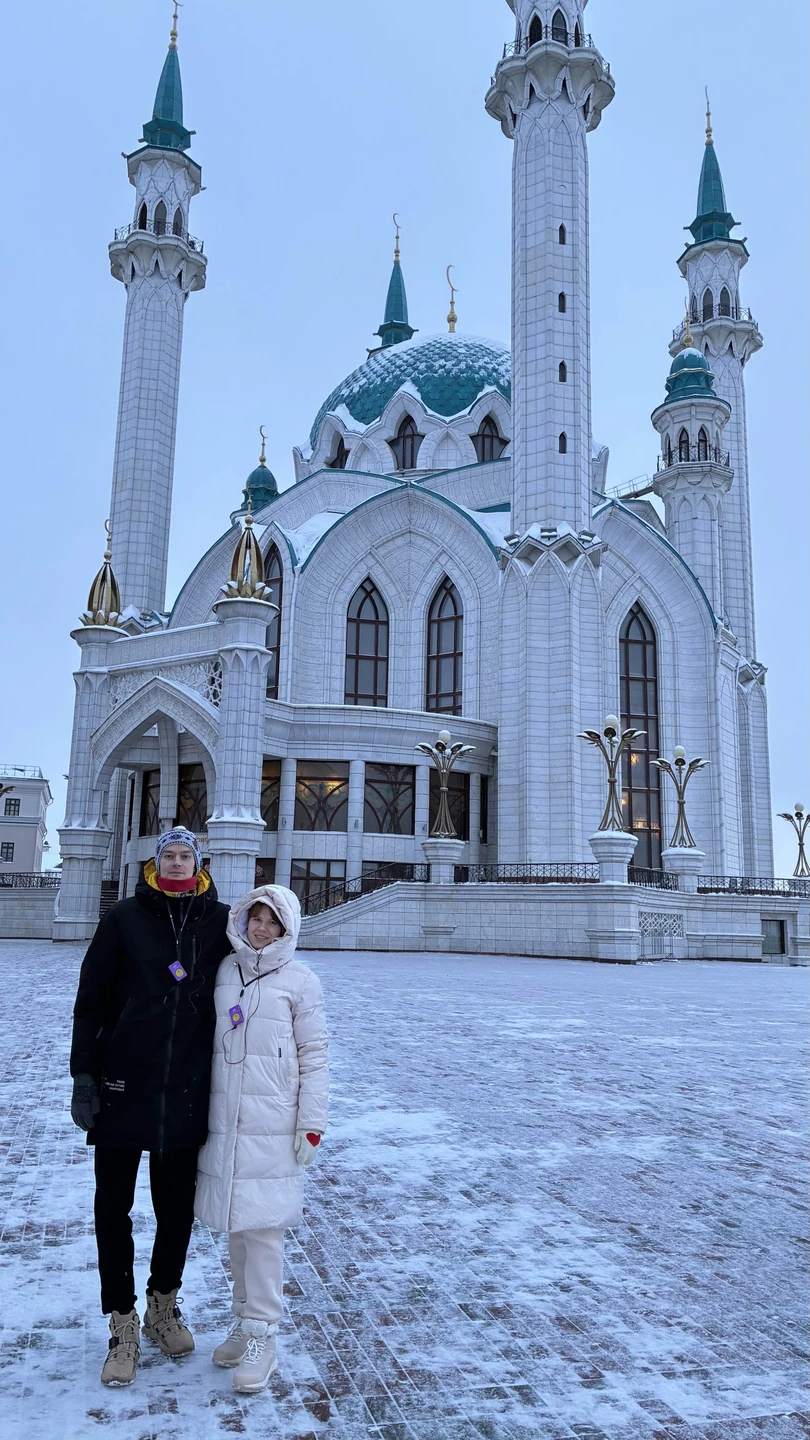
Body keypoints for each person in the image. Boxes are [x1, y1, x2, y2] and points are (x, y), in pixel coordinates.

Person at [70, 827, 230, 1387]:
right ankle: (122, 1323)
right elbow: (90, 1002)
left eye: (187, 855)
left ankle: (163, 1305)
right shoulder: (122, 919)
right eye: (170, 854)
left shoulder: (221, 921)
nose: (179, 862)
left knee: (175, 1210)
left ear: (199, 861)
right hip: (122, 1085)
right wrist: (83, 1075)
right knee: (112, 1209)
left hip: (186, 1088)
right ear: (155, 861)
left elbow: (256, 974)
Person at [194, 884, 329, 1394]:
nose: (261, 928)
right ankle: (242, 1321)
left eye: (272, 921)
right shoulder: (226, 971)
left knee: (265, 1230)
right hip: (225, 1119)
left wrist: (311, 1123)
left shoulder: (300, 980)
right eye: (255, 918)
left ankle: (263, 1337)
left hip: (273, 1122)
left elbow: (314, 1055)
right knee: (235, 1227)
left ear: (286, 928)